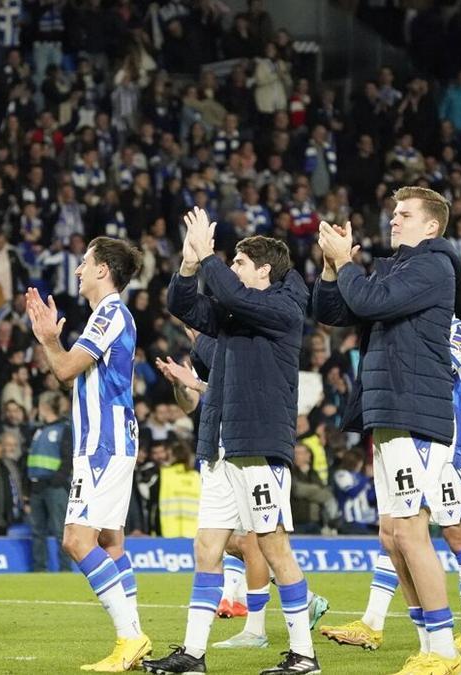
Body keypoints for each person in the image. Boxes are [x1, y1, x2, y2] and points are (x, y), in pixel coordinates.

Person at [144, 208, 319, 675]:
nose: (233, 270)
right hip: (220, 444)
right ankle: (194, 654)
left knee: (273, 545)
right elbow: (185, 307)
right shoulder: (234, 315)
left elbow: (228, 291)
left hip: (259, 443)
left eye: (240, 263)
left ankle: (304, 655)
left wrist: (209, 257)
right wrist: (187, 264)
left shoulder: (283, 309)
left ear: (263, 270)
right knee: (206, 547)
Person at [312, 186, 461, 674]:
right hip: (391, 411)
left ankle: (444, 651)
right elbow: (334, 311)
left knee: (411, 531)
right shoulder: (399, 266)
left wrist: (351, 266)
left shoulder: (432, 265)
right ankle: (428, 643)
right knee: (392, 534)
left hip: (415, 411)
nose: (393, 220)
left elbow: (373, 302)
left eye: (404, 214)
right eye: (393, 213)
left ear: (431, 226)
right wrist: (333, 266)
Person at [320, 316, 461, 654]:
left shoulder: (456, 329)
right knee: (395, 528)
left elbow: (437, 367)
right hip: (411, 436)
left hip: (450, 444)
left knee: (456, 533)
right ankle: (372, 622)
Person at [155, 327, 329, 653]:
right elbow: (191, 404)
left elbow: (239, 393)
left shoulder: (245, 341)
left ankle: (259, 629)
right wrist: (181, 383)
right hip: (218, 455)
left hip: (250, 451)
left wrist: (195, 382)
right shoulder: (203, 355)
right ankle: (303, 601)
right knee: (224, 543)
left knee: (254, 541)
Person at [24, 236, 150, 671]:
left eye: (83, 263)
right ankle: (133, 640)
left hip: (103, 443)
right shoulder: (110, 315)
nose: (77, 270)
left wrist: (46, 338)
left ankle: (129, 636)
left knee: (77, 541)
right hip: (111, 440)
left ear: (102, 270)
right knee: (111, 542)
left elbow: (64, 369)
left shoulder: (110, 313)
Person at [26, 391, 73, 573]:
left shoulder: (64, 429)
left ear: (44, 407)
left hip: (55, 488)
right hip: (37, 487)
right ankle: (39, 569)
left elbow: (68, 458)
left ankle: (65, 569)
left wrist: (57, 480)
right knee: (38, 531)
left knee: (60, 530)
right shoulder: (38, 430)